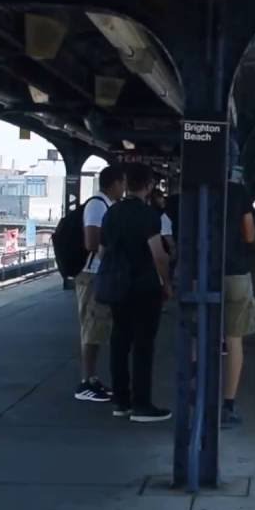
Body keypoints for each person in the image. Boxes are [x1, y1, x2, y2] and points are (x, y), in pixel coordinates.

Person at [100, 164, 172, 422]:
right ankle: (142, 405)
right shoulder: (148, 215)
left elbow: (102, 251)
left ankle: (121, 402)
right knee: (143, 346)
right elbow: (159, 256)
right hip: (144, 288)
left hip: (118, 288)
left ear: (127, 183)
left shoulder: (111, 213)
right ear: (149, 186)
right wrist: (167, 283)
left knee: (119, 342)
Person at [74, 165, 125, 402]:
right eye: (122, 183)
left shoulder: (107, 205)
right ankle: (85, 382)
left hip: (99, 274)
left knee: (98, 328)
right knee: (91, 328)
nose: (123, 189)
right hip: (91, 275)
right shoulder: (97, 205)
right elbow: (91, 242)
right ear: (113, 184)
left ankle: (92, 379)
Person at [222, 172, 255, 427]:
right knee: (234, 340)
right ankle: (228, 404)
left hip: (199, 275)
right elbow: (249, 235)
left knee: (196, 336)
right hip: (235, 273)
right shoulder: (238, 192)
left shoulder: (189, 188)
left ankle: (195, 395)